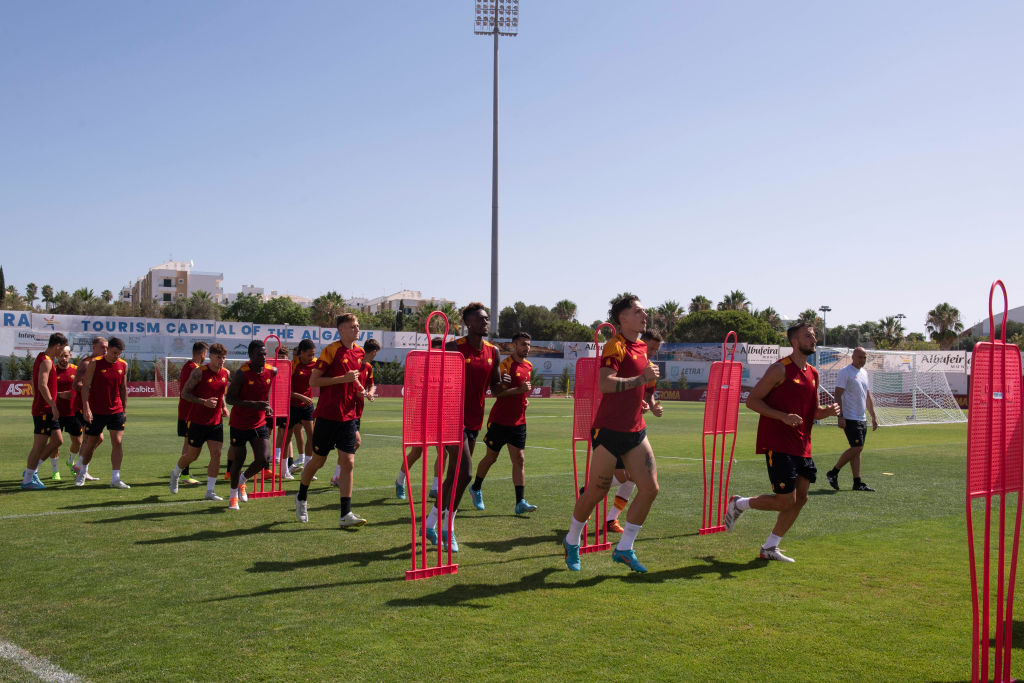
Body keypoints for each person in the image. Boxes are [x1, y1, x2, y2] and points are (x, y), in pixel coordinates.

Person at [724, 322, 841, 562]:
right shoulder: (779, 369)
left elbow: (812, 412)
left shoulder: (813, 373)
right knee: (785, 501)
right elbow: (752, 401)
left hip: (802, 445)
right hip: (778, 443)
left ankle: (770, 547)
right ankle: (739, 504)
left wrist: (826, 412)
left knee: (802, 498)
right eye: (808, 336)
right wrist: (782, 417)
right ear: (794, 342)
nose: (813, 339)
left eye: (814, 336)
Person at [562, 295, 660, 573]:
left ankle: (625, 548)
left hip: (635, 430)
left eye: (644, 310)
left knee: (651, 489)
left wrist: (650, 392)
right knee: (596, 491)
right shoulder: (614, 345)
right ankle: (571, 540)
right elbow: (605, 384)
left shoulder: (641, 347)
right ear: (623, 318)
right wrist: (641, 379)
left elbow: (644, 384)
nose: (644, 315)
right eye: (637, 311)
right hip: (608, 431)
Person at [422, 303, 503, 552]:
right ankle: (449, 528)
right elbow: (432, 379)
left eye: (487, 318)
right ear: (468, 323)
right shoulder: (453, 348)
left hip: (473, 421)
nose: (485, 322)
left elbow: (496, 387)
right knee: (466, 473)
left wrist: (517, 391)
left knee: (454, 477)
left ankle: (430, 522)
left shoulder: (494, 352)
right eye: (480, 319)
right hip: (449, 419)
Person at [296, 314, 366, 528]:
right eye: (352, 326)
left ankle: (345, 514)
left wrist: (362, 391)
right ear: (341, 330)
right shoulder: (331, 350)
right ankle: (301, 496)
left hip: (348, 417)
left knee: (349, 461)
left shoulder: (360, 352)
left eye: (357, 326)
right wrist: (341, 380)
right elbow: (314, 380)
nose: (356, 329)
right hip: (326, 416)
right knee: (318, 461)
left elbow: (354, 380)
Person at [467, 331, 539, 515]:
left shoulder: (529, 366)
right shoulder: (504, 366)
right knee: (491, 458)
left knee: (519, 459)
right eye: (523, 344)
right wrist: (519, 390)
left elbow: (520, 392)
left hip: (519, 421)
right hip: (499, 421)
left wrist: (524, 398)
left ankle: (520, 502)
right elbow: (497, 393)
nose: (527, 347)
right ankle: (475, 488)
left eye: (528, 344)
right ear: (514, 345)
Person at [606, 329, 664, 533]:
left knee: (632, 477)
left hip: (634, 427)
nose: (654, 352)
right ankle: (591, 490)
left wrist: (653, 406)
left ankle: (611, 519)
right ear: (642, 343)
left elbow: (649, 396)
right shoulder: (628, 360)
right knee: (625, 477)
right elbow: (612, 387)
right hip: (615, 425)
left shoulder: (652, 369)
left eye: (657, 349)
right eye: (651, 348)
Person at [170, 343, 231, 501]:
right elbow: (184, 394)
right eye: (218, 357)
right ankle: (176, 473)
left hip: (215, 422)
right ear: (210, 356)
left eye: (224, 357)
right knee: (192, 455)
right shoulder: (199, 372)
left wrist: (223, 407)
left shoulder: (225, 373)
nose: (221, 360)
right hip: (197, 421)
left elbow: (221, 393)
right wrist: (204, 402)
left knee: (216, 454)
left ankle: (210, 491)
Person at [224, 340, 277, 510]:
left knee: (263, 459)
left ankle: (242, 481)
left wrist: (266, 406)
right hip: (239, 423)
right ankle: (233, 497)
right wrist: (254, 404)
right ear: (251, 356)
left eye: (265, 353)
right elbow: (229, 399)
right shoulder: (242, 373)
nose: (263, 356)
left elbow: (265, 393)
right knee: (238, 460)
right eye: (259, 354)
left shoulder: (272, 371)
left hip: (259, 422)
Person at [75, 337, 130, 488]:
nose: (116, 356)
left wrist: (124, 409)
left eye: (119, 353)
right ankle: (82, 472)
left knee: (117, 442)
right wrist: (86, 408)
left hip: (116, 410)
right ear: (108, 349)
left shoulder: (123, 365)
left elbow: (123, 389)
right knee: (91, 444)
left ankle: (116, 478)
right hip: (96, 411)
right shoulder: (95, 363)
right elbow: (85, 387)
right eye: (114, 352)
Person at [395, 336, 444, 500]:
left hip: (439, 415)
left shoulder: (446, 367)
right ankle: (400, 481)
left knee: (443, 452)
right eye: (435, 351)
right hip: (421, 414)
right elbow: (409, 390)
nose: (438, 355)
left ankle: (435, 488)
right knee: (416, 452)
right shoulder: (421, 366)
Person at [825, 347, 879, 492]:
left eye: (864, 357)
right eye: (860, 357)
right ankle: (833, 472)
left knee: (857, 451)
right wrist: (840, 416)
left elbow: (867, 396)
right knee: (857, 447)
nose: (862, 360)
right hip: (849, 417)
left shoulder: (864, 373)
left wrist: (873, 416)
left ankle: (857, 482)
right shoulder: (845, 372)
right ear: (853, 357)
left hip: (861, 417)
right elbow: (837, 394)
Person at [21, 333, 68, 490]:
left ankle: (32, 470)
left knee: (57, 441)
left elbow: (36, 385)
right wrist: (53, 405)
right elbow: (42, 384)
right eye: (62, 350)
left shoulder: (42, 358)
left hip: (45, 407)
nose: (62, 353)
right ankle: (27, 479)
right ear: (57, 346)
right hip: (44, 410)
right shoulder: (46, 362)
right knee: (39, 446)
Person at [332, 338, 379, 486]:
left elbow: (371, 385)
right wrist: (357, 393)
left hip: (357, 412)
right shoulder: (355, 365)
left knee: (349, 445)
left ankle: (337, 476)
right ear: (373, 352)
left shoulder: (369, 368)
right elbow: (347, 386)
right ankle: (338, 474)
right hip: (347, 411)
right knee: (356, 442)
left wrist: (370, 393)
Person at [69, 337, 107, 481]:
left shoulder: (102, 364)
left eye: (106, 347)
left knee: (97, 438)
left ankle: (80, 466)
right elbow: (76, 385)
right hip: (83, 407)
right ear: (94, 348)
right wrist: (91, 389)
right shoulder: (86, 363)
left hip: (95, 407)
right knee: (91, 439)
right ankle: (80, 468)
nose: (105, 350)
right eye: (102, 347)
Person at [176, 342, 209, 487]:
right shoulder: (194, 369)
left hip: (187, 411)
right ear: (202, 353)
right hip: (189, 413)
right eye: (206, 353)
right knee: (189, 445)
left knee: (188, 443)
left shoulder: (187, 366)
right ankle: (183, 474)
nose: (206, 356)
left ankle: (183, 473)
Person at [287, 340, 317, 477]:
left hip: (307, 406)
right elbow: (285, 390)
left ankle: (307, 469)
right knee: (286, 438)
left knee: (312, 437)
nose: (312, 357)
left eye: (313, 354)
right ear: (302, 353)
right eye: (309, 354)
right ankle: (284, 470)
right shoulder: (293, 365)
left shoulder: (316, 363)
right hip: (292, 406)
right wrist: (300, 397)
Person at [48, 345, 78, 481]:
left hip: (74, 412)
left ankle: (70, 461)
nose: (63, 358)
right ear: (57, 356)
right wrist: (60, 395)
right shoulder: (51, 370)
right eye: (61, 355)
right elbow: (46, 390)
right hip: (56, 413)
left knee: (77, 442)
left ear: (70, 356)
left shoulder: (77, 370)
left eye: (66, 356)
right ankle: (55, 470)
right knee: (55, 442)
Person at [271, 345, 294, 480]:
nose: (280, 359)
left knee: (284, 433)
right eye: (278, 356)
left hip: (285, 404)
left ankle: (282, 459)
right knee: (268, 431)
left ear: (287, 358)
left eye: (283, 357)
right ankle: (269, 459)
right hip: (273, 403)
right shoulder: (272, 368)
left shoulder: (289, 368)